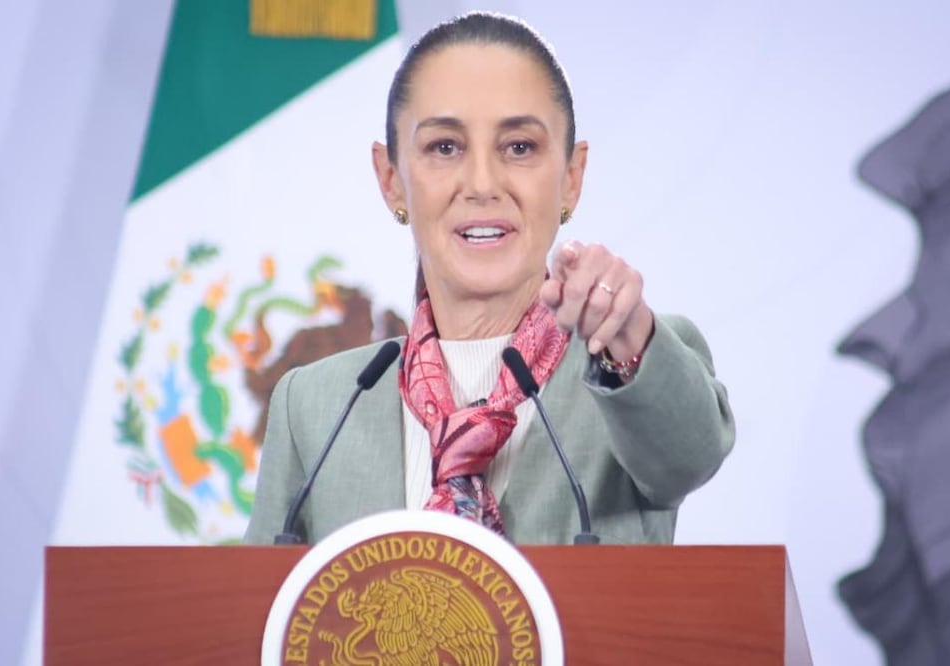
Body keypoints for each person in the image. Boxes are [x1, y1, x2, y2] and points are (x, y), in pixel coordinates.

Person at [245, 12, 734, 546]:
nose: (482, 184)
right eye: (445, 148)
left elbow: (691, 454)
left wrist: (628, 336)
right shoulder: (316, 405)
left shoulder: (623, 367)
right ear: (392, 181)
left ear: (571, 178)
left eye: (519, 147)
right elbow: (261, 618)